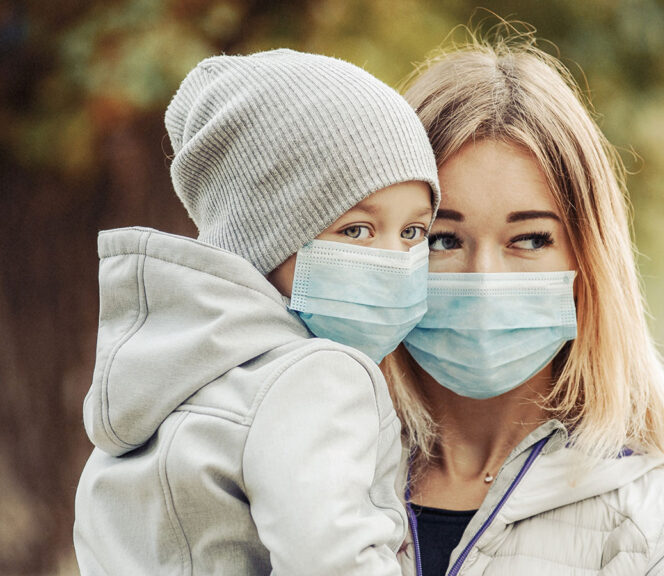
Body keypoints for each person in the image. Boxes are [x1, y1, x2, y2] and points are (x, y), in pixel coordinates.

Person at [379, 31, 664, 575]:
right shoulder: (293, 476)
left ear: (589, 260)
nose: (484, 278)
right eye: (441, 239)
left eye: (529, 239)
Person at [73, 49, 440, 575]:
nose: (395, 261)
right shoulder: (315, 376)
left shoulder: (161, 378)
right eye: (355, 230)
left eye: (413, 232)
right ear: (266, 233)